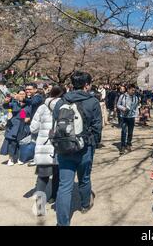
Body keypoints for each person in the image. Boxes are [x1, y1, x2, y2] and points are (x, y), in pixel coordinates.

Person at [53, 71, 102, 226]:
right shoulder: (93, 102)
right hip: (84, 147)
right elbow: (97, 128)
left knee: (64, 186)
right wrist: (94, 144)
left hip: (64, 147)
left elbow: (56, 121)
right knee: (84, 178)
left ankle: (62, 222)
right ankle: (85, 205)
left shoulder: (61, 101)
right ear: (87, 85)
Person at [30, 86, 64, 205]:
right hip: (60, 146)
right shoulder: (64, 108)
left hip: (44, 147)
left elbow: (33, 128)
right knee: (57, 175)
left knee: (42, 177)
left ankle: (39, 203)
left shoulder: (42, 108)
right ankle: (53, 197)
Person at [1, 90, 31, 165]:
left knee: (22, 142)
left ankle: (20, 158)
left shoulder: (29, 103)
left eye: (23, 94)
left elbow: (30, 113)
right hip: (14, 125)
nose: (21, 95)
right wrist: (6, 102)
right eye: (20, 94)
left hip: (24, 125)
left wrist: (29, 118)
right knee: (12, 142)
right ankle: (10, 159)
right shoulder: (14, 103)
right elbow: (6, 106)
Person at [117, 84, 139, 154]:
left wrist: (136, 115)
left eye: (134, 90)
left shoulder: (136, 97)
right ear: (128, 89)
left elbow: (136, 107)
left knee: (130, 131)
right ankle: (123, 146)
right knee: (123, 131)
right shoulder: (122, 96)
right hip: (124, 117)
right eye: (132, 90)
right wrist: (123, 109)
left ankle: (128, 144)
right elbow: (118, 105)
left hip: (131, 117)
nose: (133, 91)